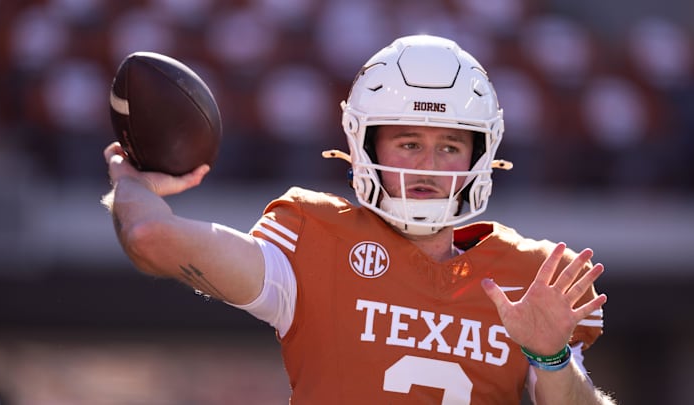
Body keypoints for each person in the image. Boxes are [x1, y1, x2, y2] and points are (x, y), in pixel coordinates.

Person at [102, 34, 616, 404]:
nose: (429, 167)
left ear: (480, 156)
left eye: (450, 146)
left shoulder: (529, 276)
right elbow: (151, 237)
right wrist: (132, 184)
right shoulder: (314, 238)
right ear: (365, 146)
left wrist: (550, 358)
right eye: (409, 144)